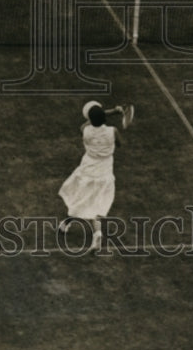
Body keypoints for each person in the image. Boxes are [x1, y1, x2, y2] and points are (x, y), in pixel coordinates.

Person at [58, 100, 135, 251]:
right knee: (98, 205)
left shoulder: (84, 130)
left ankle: (67, 222)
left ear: (90, 119)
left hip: (87, 171)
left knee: (80, 200)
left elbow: (91, 120)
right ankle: (97, 233)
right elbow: (120, 144)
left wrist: (112, 110)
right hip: (104, 173)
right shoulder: (113, 131)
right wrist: (117, 112)